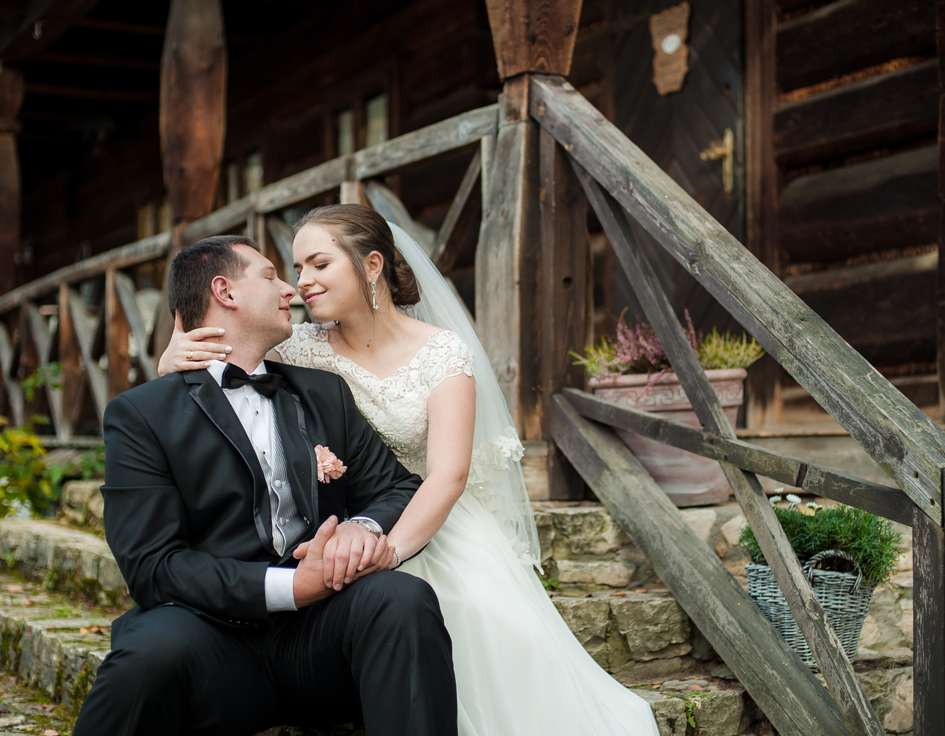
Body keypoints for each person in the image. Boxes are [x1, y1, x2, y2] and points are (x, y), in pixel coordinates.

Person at [161, 205, 659, 736]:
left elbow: (448, 476)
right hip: (331, 526)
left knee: (476, 615)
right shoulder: (297, 344)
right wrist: (169, 364)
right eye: (296, 267)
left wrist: (390, 553)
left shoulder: (441, 353)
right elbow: (227, 373)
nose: (301, 281)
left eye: (318, 264)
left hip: (428, 522)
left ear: (371, 264)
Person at [75, 235, 457, 736]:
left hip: (320, 643)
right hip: (210, 638)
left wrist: (358, 529)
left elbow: (398, 487)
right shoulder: (142, 415)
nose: (291, 290)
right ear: (225, 291)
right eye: (271, 275)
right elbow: (152, 566)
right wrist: (291, 586)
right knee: (148, 653)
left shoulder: (325, 393)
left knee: (401, 598)